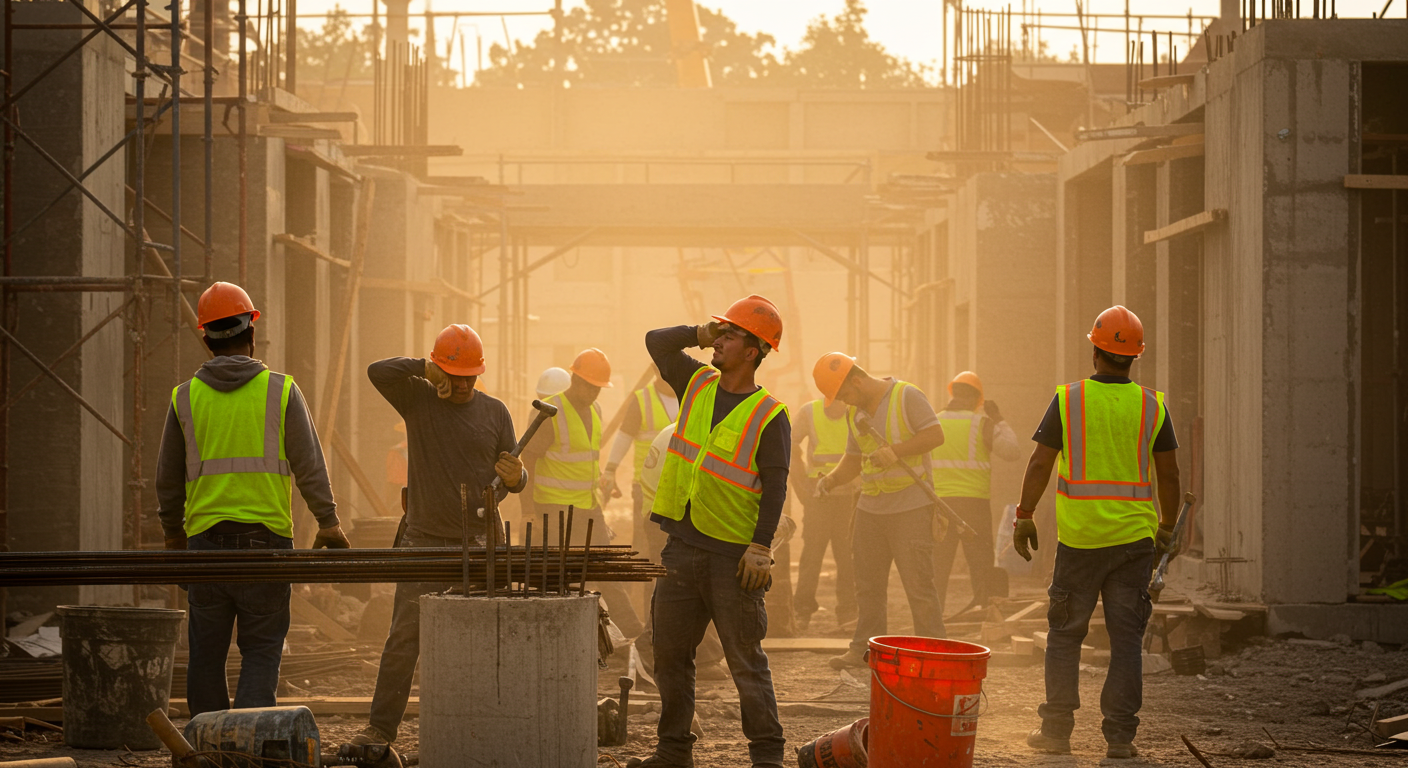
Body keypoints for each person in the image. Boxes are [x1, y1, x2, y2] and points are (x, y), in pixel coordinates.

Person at [156, 281, 348, 717]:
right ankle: (249, 746)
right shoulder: (280, 391)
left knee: (206, 655)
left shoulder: (185, 397)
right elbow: (310, 466)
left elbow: (167, 480)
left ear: (207, 339)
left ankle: (208, 746)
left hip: (205, 546)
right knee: (261, 652)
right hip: (267, 546)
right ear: (252, 333)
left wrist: (173, 538)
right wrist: (329, 522)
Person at [629, 294, 791, 768]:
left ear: (753, 351)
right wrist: (701, 333)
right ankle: (673, 752)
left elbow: (776, 487)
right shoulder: (697, 383)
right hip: (681, 547)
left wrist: (761, 547)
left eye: (730, 335)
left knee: (745, 662)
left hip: (733, 558)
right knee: (670, 656)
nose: (719, 341)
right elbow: (656, 342)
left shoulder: (769, 415)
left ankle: (767, 758)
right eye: (719, 333)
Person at [1014, 305, 1181, 760]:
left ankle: (1056, 732)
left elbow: (1040, 462)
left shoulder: (1069, 400)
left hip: (1080, 541)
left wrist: (1024, 514)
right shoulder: (1153, 406)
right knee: (1126, 641)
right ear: (1135, 357)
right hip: (1134, 543)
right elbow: (1169, 475)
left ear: (1095, 352)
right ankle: (1120, 739)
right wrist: (1167, 527)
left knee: (1065, 635)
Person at [354, 324, 526, 751]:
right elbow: (377, 371)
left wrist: (517, 478)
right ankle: (380, 730)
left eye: (470, 377)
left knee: (488, 639)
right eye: (455, 375)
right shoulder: (417, 398)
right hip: (424, 540)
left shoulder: (496, 412)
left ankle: (488, 728)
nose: (464, 385)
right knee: (404, 639)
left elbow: (509, 478)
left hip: (481, 543)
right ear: (439, 370)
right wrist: (424, 369)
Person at [812, 353, 947, 670]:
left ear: (857, 381)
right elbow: (853, 459)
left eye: (844, 394)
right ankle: (865, 650)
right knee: (868, 587)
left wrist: (895, 452)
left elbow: (935, 435)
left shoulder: (907, 396)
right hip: (870, 509)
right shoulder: (854, 413)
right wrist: (831, 480)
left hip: (910, 506)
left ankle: (935, 655)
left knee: (919, 587)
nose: (844, 402)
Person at [519, 348, 644, 637]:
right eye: (589, 386)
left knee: (607, 573)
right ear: (574, 379)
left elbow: (585, 457)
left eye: (598, 388)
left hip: (588, 508)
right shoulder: (549, 411)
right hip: (553, 511)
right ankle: (550, 638)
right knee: (554, 581)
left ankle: (635, 636)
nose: (593, 393)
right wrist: (528, 511)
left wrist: (602, 481)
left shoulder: (596, 410)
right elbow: (528, 461)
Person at [930, 371, 1022, 612]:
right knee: (981, 563)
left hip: (940, 504)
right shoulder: (982, 424)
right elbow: (1012, 451)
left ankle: (931, 617)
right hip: (974, 505)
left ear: (952, 394)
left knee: (937, 565)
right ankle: (984, 612)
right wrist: (998, 418)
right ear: (975, 399)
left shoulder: (933, 422)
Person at [789, 396, 858, 633]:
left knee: (847, 557)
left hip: (848, 497)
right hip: (819, 497)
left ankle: (848, 612)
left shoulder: (856, 411)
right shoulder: (810, 412)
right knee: (812, 556)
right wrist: (802, 488)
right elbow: (790, 446)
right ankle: (803, 610)